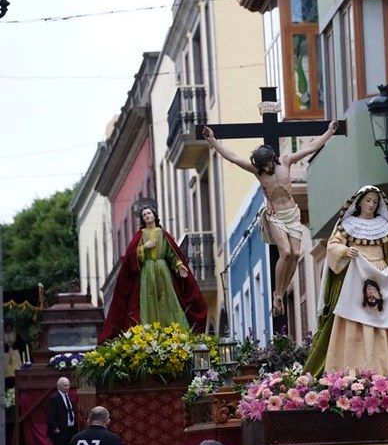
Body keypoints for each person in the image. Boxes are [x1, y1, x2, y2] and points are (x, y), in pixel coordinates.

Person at [203, 121, 339, 316]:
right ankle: (277, 293)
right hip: (274, 215)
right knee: (285, 252)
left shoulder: (286, 161)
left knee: (295, 253)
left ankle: (281, 293)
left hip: (292, 212)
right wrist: (212, 140)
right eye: (261, 166)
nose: (265, 168)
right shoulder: (257, 171)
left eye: (266, 164)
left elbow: (310, 147)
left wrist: (329, 132)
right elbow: (233, 157)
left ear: (272, 159)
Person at [303, 185, 388, 376]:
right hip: (356, 277)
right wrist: (346, 251)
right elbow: (333, 246)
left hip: (382, 276)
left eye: (375, 202)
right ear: (360, 202)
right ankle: (351, 371)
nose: (371, 205)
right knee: (353, 319)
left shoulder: (385, 228)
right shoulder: (347, 226)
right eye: (368, 200)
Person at [99, 206, 207, 342]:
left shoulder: (163, 234)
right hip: (147, 272)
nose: (147, 216)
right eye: (144, 215)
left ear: (154, 215)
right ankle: (149, 333)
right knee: (148, 299)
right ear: (143, 219)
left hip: (163, 270)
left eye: (149, 213)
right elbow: (131, 256)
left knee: (168, 299)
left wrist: (179, 266)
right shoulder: (140, 235)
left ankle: (175, 332)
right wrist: (145, 247)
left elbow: (171, 254)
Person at [47, 376, 77, 445]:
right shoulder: (54, 398)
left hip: (70, 429)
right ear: (59, 386)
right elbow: (51, 414)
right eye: (65, 385)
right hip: (60, 430)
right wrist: (54, 427)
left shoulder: (69, 397)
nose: (67, 387)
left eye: (68, 385)